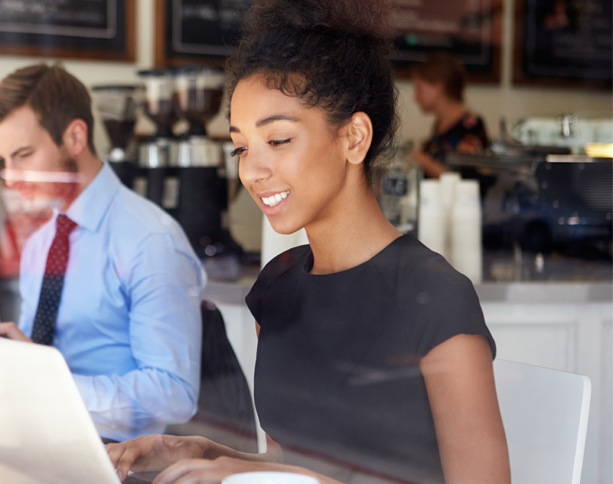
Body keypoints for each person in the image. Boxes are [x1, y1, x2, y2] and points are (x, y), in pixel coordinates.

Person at [106, 1, 510, 483]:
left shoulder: (434, 299)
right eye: (241, 146)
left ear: (354, 138)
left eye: (277, 140)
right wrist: (194, 452)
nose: (251, 171)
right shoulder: (277, 290)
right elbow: (290, 466)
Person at [0, 64, 206, 442]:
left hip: (118, 458)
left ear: (75, 136)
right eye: (4, 161)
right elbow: (40, 356)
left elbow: (175, 395)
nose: (12, 177)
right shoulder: (41, 241)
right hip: (38, 439)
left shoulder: (149, 241)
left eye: (23, 154)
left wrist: (51, 385)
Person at [411, 51, 490, 179]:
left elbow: (464, 181)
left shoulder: (471, 125)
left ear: (439, 87)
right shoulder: (440, 124)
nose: (415, 97)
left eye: (419, 88)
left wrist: (418, 157)